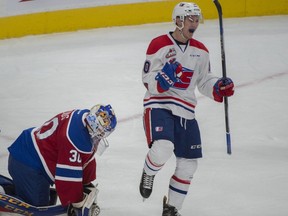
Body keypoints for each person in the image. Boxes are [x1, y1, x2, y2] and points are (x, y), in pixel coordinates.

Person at [139, 2, 234, 216]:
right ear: (178, 20)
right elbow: (147, 78)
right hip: (159, 105)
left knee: (189, 164)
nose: (194, 23)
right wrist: (162, 81)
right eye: (190, 18)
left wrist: (218, 87)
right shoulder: (159, 44)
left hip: (187, 112)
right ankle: (148, 172)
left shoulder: (201, 51)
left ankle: (171, 209)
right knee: (162, 148)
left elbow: (204, 81)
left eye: (196, 19)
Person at [7, 104, 117, 215]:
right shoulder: (74, 139)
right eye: (102, 131)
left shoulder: (83, 118)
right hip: (27, 164)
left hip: (27, 152)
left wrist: (86, 183)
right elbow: (67, 179)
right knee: (40, 211)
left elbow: (85, 158)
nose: (101, 135)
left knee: (45, 201)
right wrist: (77, 201)